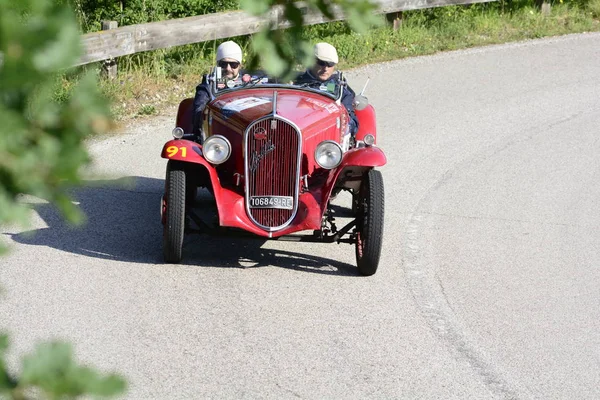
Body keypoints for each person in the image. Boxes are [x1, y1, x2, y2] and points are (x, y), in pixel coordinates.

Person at [294, 42, 359, 136]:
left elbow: (352, 123)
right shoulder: (295, 83)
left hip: (328, 143)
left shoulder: (339, 89)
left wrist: (345, 125)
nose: (325, 68)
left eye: (330, 64)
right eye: (321, 63)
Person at [192, 41, 247, 135]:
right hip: (217, 135)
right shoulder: (209, 84)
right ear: (218, 65)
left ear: (240, 66)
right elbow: (199, 112)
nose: (228, 68)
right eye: (223, 64)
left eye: (233, 64)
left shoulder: (249, 83)